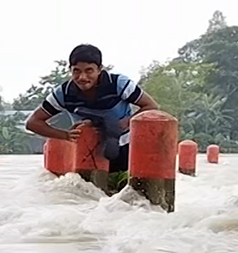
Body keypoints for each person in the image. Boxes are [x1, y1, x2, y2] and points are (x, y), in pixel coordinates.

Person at [24, 43, 159, 185]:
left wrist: (125, 122)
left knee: (126, 190)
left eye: (89, 71)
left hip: (124, 147)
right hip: (87, 154)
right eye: (76, 71)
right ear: (70, 70)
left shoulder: (118, 84)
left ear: (99, 69)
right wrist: (65, 135)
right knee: (89, 193)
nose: (82, 77)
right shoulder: (63, 93)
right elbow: (32, 123)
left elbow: (151, 106)